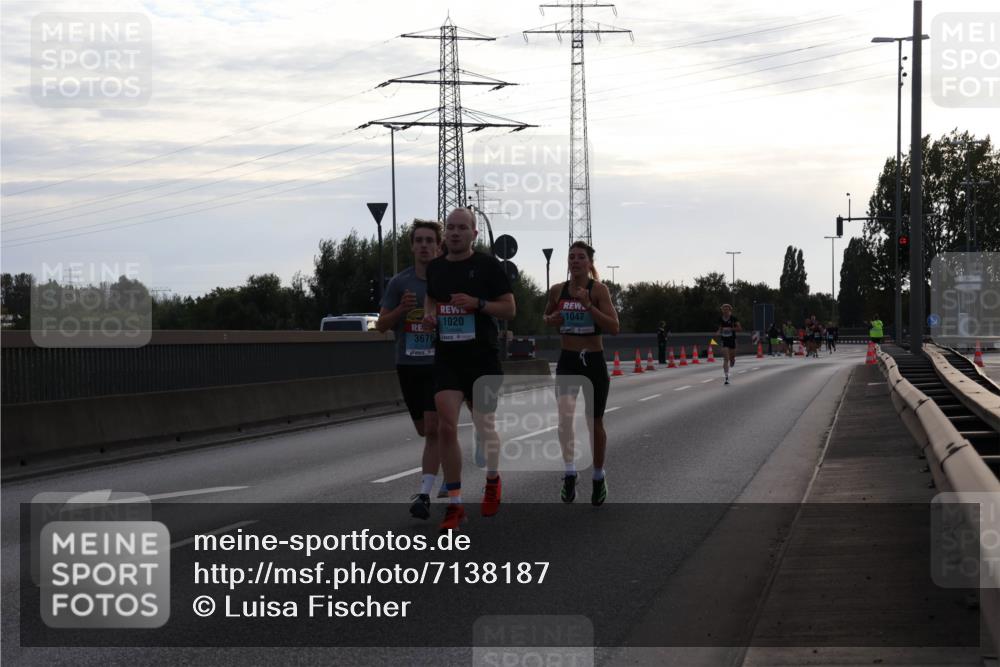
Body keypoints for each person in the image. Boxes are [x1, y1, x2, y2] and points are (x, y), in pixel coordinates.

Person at [422, 208, 515, 532]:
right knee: (446, 426)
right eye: (451, 228)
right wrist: (430, 315)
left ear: (474, 233)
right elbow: (431, 301)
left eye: (462, 228)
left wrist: (478, 304)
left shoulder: (487, 266)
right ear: (445, 233)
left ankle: (492, 480)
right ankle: (455, 504)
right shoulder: (435, 268)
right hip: (448, 356)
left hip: (482, 357)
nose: (455, 233)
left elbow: (510, 308)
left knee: (483, 425)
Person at [376, 220, 446, 520]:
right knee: (424, 430)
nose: (424, 246)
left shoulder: (446, 280)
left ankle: (425, 493)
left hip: (440, 364)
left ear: (438, 246)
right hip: (408, 364)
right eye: (419, 240)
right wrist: (401, 311)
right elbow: (380, 326)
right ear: (412, 246)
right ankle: (448, 461)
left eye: (430, 240)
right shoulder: (399, 283)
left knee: (433, 428)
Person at [543, 241, 620, 506]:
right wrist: (551, 321)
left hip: (593, 362)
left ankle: (598, 477)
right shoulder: (557, 290)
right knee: (564, 419)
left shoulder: (598, 290)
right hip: (568, 361)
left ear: (589, 263)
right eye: (571, 257)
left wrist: (588, 306)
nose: (575, 261)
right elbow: (548, 317)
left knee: (594, 421)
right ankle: (569, 473)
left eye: (580, 257)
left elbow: (614, 327)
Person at [715, 304, 742, 384]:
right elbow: (720, 328)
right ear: (722, 310)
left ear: (730, 310)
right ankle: (726, 377)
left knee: (731, 358)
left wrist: (731, 329)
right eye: (724, 309)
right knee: (726, 358)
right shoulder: (720, 319)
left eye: (727, 309)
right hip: (724, 340)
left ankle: (733, 360)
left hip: (732, 340)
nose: (725, 311)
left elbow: (740, 328)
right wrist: (718, 332)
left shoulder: (734, 319)